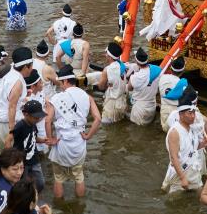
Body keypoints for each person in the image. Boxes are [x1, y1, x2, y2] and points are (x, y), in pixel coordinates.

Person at [45, 64, 101, 199]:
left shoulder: (57, 98)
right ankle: (79, 207)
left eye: (60, 83)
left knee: (58, 178)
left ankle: (59, 208)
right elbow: (98, 119)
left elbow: (47, 121)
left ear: (65, 81)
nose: (60, 86)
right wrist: (88, 136)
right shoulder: (87, 97)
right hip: (79, 145)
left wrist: (50, 139)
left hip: (61, 145)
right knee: (79, 177)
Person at [161, 86, 207, 193]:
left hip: (193, 170)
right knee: (174, 201)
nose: (193, 116)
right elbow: (174, 158)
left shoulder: (191, 128)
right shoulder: (175, 132)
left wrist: (204, 144)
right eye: (189, 113)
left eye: (193, 113)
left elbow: (194, 147)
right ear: (181, 114)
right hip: (180, 173)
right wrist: (183, 178)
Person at [0, 47, 34, 149]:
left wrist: (22, 97)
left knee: (5, 153)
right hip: (6, 123)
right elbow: (11, 107)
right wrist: (11, 132)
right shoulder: (18, 83)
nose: (32, 69)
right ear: (26, 66)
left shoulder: (11, 70)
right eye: (31, 66)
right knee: (13, 157)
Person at [7, 99, 47, 192]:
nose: (38, 119)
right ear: (26, 114)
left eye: (39, 117)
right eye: (36, 117)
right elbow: (8, 140)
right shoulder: (20, 126)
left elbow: (33, 137)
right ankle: (24, 200)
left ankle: (34, 197)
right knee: (23, 184)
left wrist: (42, 140)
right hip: (22, 162)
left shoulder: (33, 124)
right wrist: (10, 158)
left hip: (34, 159)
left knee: (40, 183)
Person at [95, 41, 128, 124]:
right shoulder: (123, 66)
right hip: (122, 102)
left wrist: (105, 84)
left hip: (112, 105)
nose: (105, 55)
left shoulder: (107, 70)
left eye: (106, 53)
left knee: (106, 128)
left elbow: (101, 87)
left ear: (109, 57)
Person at [128, 47, 160, 126]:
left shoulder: (136, 77)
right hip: (152, 106)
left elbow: (129, 88)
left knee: (135, 132)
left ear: (136, 61)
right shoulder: (158, 71)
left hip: (140, 108)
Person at [159, 56, 186, 132]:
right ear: (183, 71)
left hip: (164, 110)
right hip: (176, 112)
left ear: (171, 68)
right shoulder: (183, 84)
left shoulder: (162, 78)